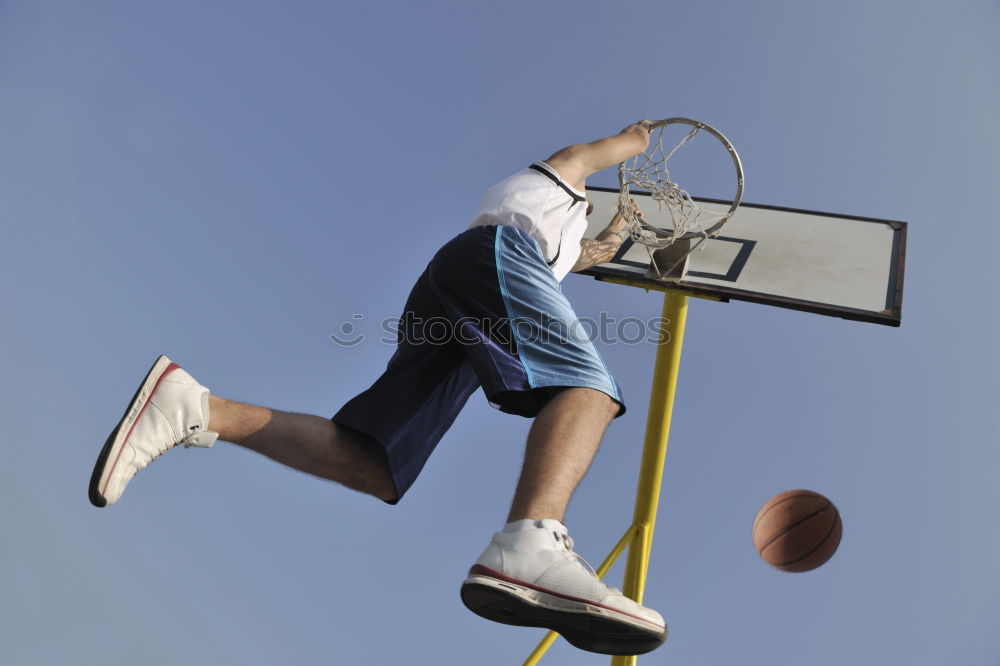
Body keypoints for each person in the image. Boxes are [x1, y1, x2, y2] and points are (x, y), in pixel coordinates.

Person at [88, 120, 667, 656]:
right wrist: (636, 142)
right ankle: (532, 541)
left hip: (468, 290)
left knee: (377, 462)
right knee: (588, 384)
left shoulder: (562, 242)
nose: (586, 205)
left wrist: (620, 228)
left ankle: (194, 407)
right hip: (492, 257)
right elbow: (581, 156)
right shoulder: (550, 185)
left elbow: (588, 256)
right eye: (586, 200)